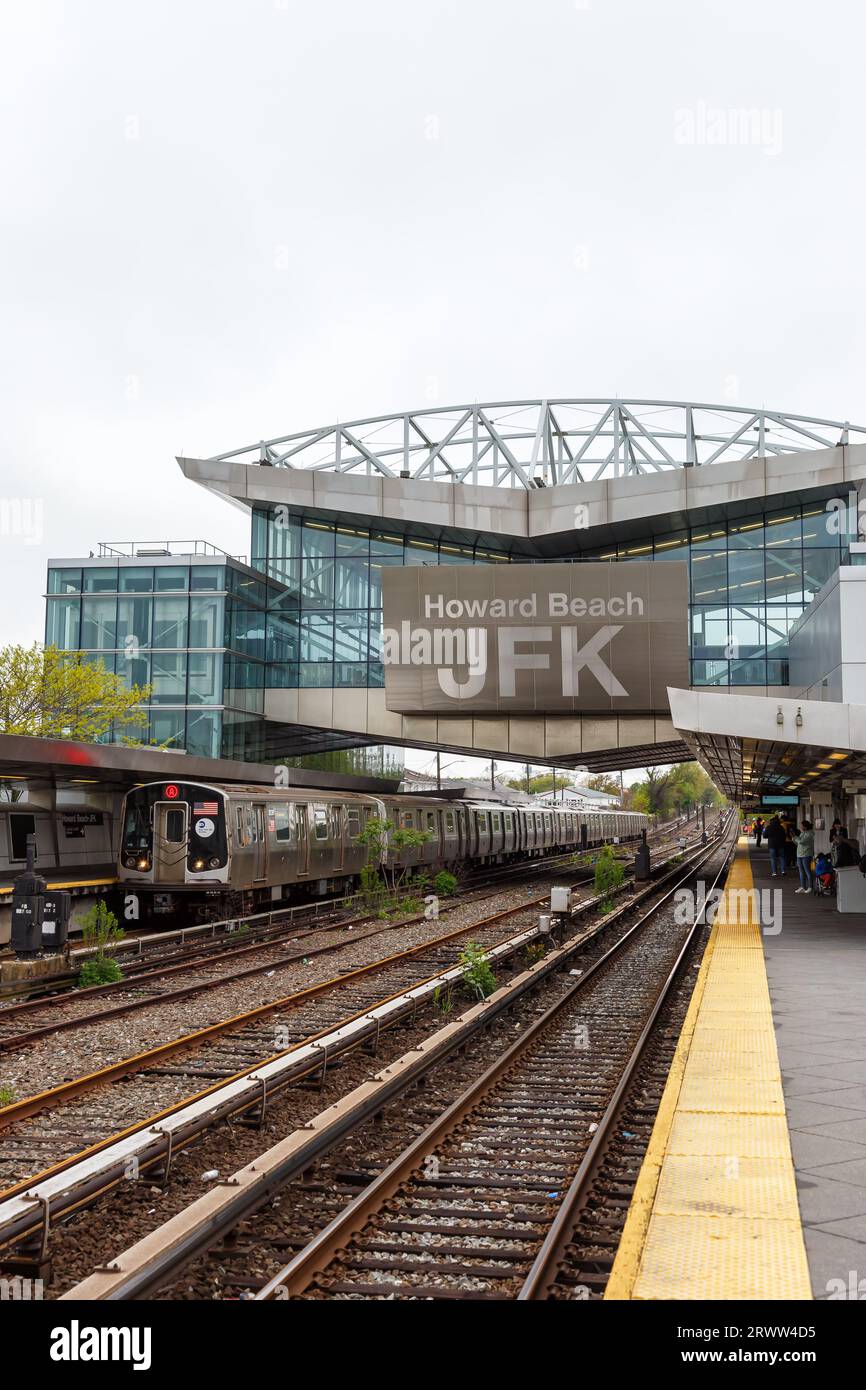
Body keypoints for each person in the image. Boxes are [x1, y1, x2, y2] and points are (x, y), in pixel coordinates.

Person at [795, 820, 815, 893]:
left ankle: (810, 887)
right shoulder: (802, 833)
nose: (801, 827)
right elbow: (798, 843)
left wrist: (795, 837)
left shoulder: (810, 834)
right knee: (801, 871)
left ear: (805, 826)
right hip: (799, 854)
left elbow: (801, 842)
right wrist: (794, 837)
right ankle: (803, 887)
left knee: (807, 871)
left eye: (802, 826)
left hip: (806, 854)